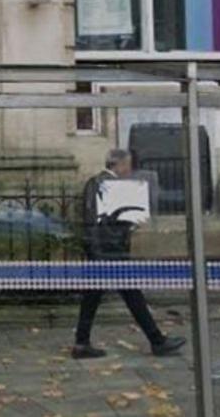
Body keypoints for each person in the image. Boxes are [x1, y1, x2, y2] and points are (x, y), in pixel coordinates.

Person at [72, 148, 187, 359]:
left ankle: (82, 343)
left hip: (104, 250)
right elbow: (102, 220)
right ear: (120, 165)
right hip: (109, 251)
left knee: (96, 297)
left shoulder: (100, 183)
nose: (130, 170)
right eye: (128, 165)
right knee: (129, 294)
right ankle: (157, 341)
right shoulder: (105, 184)